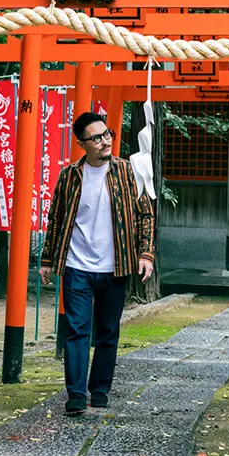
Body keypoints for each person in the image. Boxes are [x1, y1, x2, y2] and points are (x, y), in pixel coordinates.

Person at [39, 110, 155, 416]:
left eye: (107, 135)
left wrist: (146, 253)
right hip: (77, 266)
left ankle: (99, 389)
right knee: (76, 331)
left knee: (108, 331)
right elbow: (56, 220)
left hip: (115, 266)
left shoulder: (129, 172)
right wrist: (48, 259)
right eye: (97, 138)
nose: (105, 142)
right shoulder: (69, 176)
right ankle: (76, 393)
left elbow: (145, 215)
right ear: (82, 144)